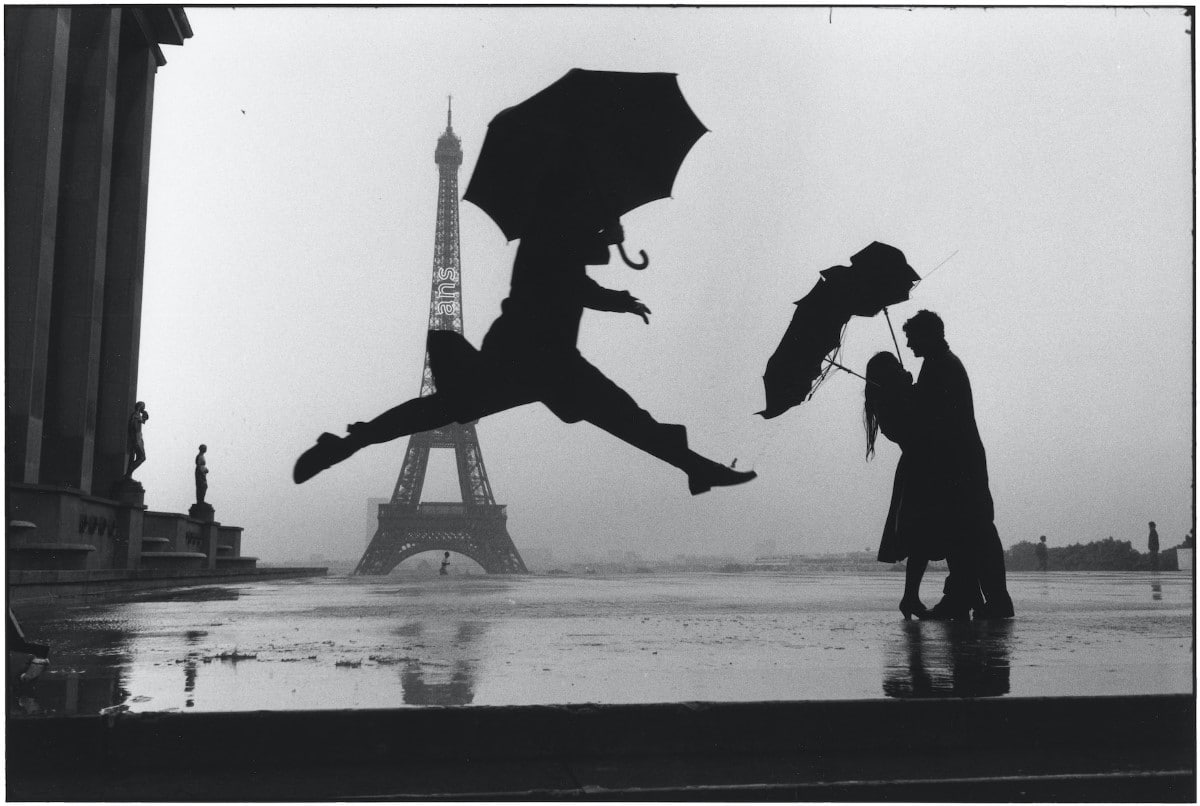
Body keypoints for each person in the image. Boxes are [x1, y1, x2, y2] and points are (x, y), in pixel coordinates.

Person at [294, 214, 756, 496]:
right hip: (539, 358)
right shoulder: (551, 233)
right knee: (625, 417)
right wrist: (611, 260)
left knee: (440, 410)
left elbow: (577, 275)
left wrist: (612, 281)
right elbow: (572, 275)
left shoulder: (552, 232)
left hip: (531, 358)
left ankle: (350, 442)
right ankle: (696, 468)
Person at [903, 310, 1014, 621]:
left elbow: (935, 418)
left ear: (929, 334)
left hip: (957, 464)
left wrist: (909, 396)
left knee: (970, 530)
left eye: (912, 337)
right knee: (966, 531)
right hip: (960, 461)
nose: (909, 344)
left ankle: (981, 599)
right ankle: (971, 597)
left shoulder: (941, 366)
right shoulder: (941, 363)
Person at [863, 351, 945, 619]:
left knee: (921, 537)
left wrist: (911, 390)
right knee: (922, 536)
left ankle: (910, 597)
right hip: (921, 470)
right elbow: (919, 424)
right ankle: (910, 598)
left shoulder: (888, 401)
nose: (902, 369)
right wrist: (913, 391)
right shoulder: (890, 403)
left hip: (918, 469)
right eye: (897, 368)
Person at [125, 401, 149, 478]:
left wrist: (145, 415)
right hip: (136, 439)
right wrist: (135, 438)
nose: (144, 408)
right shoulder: (135, 415)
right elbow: (133, 426)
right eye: (143, 407)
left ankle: (129, 473)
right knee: (142, 457)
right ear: (140, 407)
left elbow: (143, 421)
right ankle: (130, 470)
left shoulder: (137, 415)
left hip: (137, 439)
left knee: (138, 457)